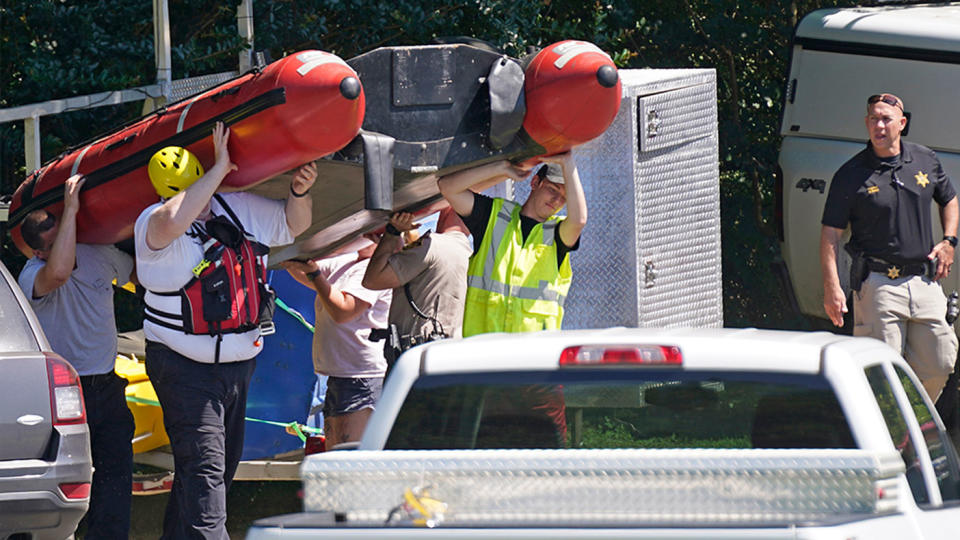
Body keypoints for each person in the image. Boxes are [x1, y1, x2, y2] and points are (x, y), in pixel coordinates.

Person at [134, 122, 315, 538]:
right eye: (187, 193)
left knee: (215, 469)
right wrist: (217, 170)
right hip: (183, 369)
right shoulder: (153, 226)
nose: (200, 204)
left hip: (238, 367)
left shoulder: (234, 208)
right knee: (205, 469)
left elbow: (292, 225)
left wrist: (300, 192)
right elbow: (172, 218)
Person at [18, 174, 136, 538]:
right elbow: (59, 272)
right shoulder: (34, 273)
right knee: (70, 478)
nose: (63, 245)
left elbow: (138, 274)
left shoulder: (99, 254)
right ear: (37, 251)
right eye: (53, 243)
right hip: (67, 393)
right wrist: (70, 209)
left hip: (107, 383)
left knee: (116, 475)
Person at [821, 92, 959, 402]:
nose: (879, 125)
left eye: (886, 119)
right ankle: (887, 438)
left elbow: (949, 199)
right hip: (879, 285)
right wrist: (832, 286)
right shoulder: (850, 174)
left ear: (902, 123)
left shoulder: (924, 159)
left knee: (941, 362)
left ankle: (913, 428)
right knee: (882, 375)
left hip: (925, 281)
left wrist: (949, 241)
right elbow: (830, 235)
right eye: (873, 119)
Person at [437, 150, 586, 336]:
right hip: (482, 352)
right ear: (535, 183)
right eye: (552, 189)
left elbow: (579, 220)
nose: (557, 200)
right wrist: (501, 168)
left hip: (531, 357)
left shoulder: (557, 233)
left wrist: (568, 163)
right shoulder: (493, 215)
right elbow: (447, 187)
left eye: (564, 198)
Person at [282, 237, 391, 447]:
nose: (364, 235)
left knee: (350, 453)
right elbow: (300, 270)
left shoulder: (374, 269)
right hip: (341, 373)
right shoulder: (346, 261)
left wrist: (315, 274)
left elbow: (344, 311)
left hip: (361, 375)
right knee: (335, 446)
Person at [361, 206, 472, 361]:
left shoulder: (434, 245)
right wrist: (392, 247)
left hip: (416, 360)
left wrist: (392, 233)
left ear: (447, 210)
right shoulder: (468, 253)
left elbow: (372, 280)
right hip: (445, 356)